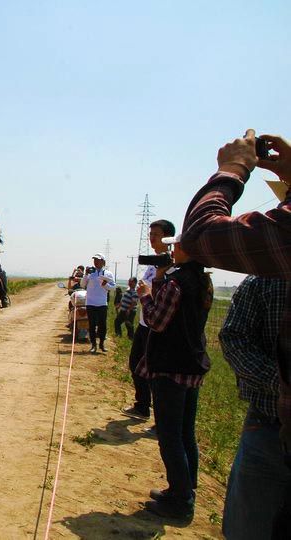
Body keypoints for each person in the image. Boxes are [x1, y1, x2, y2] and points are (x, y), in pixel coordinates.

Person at [178, 130, 290, 533]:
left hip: (273, 427)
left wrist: (232, 169)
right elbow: (234, 336)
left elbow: (203, 233)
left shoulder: (267, 271)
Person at [135, 234, 213, 521]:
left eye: (176, 245)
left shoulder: (176, 284)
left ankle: (180, 501)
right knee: (185, 433)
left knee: (169, 436)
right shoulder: (201, 281)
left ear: (188, 250)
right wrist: (159, 276)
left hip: (171, 366)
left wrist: (145, 294)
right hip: (191, 364)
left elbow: (156, 321)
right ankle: (184, 488)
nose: (171, 249)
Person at [219, 276, 291, 539]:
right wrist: (282, 382)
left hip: (265, 427)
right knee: (249, 526)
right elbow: (233, 339)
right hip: (269, 427)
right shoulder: (265, 280)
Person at [122, 219, 175, 421]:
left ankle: (160, 416)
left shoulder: (171, 264)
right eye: (150, 234)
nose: (151, 238)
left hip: (159, 327)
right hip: (145, 324)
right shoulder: (154, 263)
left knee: (156, 371)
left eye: (156, 235)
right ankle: (142, 406)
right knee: (136, 364)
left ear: (168, 238)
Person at [80, 253, 115, 353]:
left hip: (102, 303)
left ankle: (102, 344)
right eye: (94, 260)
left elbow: (113, 287)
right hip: (90, 302)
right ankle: (93, 345)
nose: (95, 262)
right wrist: (85, 274)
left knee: (102, 325)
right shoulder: (90, 273)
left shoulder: (108, 274)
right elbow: (83, 285)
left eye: (98, 260)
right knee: (92, 325)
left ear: (103, 262)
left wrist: (106, 285)